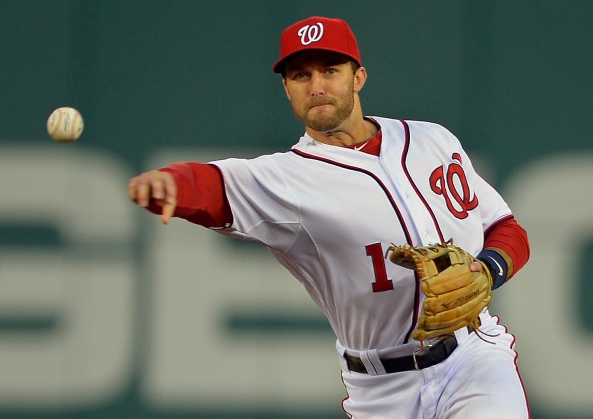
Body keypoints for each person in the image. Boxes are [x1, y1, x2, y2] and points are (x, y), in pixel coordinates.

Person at [127, 16, 531, 418]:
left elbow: (504, 228)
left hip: (474, 357)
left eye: (330, 71)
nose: (317, 87)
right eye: (301, 75)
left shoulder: (430, 139)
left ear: (358, 78)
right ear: (286, 89)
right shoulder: (286, 178)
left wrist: (488, 269)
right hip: (381, 388)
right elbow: (214, 185)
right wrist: (170, 184)